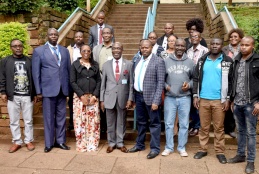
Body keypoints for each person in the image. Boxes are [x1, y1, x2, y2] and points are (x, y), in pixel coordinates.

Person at [192, 38, 233, 164]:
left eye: (218, 43)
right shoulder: (202, 60)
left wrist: (228, 99)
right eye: (213, 43)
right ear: (210, 45)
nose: (215, 45)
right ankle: (202, 149)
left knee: (219, 128)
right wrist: (195, 95)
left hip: (219, 101)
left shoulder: (227, 61)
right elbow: (196, 78)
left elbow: (232, 81)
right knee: (203, 127)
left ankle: (220, 152)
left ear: (222, 46)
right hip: (203, 99)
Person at [32, 28, 71, 153]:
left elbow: (68, 71)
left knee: (61, 117)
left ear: (58, 36)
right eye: (51, 34)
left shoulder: (65, 51)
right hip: (48, 90)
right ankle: (49, 143)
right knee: (48, 118)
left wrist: (68, 88)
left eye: (55, 34)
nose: (53, 36)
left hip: (62, 89)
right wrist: (38, 91)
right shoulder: (39, 51)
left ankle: (60, 141)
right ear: (47, 36)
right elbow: (36, 73)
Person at [128, 40, 165, 159]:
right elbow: (133, 80)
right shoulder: (137, 60)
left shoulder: (158, 61)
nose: (144, 49)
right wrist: (133, 98)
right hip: (139, 96)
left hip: (151, 98)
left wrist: (156, 101)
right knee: (141, 122)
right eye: (142, 47)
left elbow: (160, 83)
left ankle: (154, 148)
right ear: (140, 47)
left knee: (154, 124)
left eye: (147, 47)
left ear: (151, 48)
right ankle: (140, 144)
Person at [228, 36, 259, 174]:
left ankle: (251, 161)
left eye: (247, 45)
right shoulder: (236, 60)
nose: (243, 47)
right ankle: (240, 155)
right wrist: (232, 99)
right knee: (240, 131)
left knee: (251, 133)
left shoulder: (257, 61)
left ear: (252, 46)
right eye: (242, 45)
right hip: (238, 102)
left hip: (252, 103)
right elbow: (231, 81)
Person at [0, 39, 36, 153]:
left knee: (28, 120)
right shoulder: (5, 61)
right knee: (14, 120)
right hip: (13, 96)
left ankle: (28, 140)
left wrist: (34, 93)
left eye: (20, 46)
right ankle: (17, 141)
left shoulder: (29, 61)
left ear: (23, 47)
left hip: (27, 95)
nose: (18, 48)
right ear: (11, 48)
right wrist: (3, 92)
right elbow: (2, 77)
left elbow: (34, 78)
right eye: (15, 46)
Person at [162, 39, 194, 157]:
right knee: (169, 123)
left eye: (182, 46)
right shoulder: (166, 61)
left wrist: (189, 85)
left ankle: (181, 147)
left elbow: (194, 79)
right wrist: (167, 87)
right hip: (170, 97)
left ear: (185, 47)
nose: (180, 47)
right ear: (174, 46)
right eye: (178, 45)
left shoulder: (190, 62)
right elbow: (161, 79)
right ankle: (169, 147)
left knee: (184, 124)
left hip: (185, 97)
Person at [100, 42, 133, 153]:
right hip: (109, 98)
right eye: (114, 48)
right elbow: (103, 84)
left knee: (121, 122)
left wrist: (130, 98)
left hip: (122, 98)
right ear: (112, 50)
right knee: (110, 122)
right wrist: (101, 99)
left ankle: (120, 143)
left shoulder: (128, 64)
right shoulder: (106, 65)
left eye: (119, 48)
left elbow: (131, 83)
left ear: (122, 49)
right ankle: (111, 143)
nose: (116, 50)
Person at [70, 44, 101, 152]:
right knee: (80, 121)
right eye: (84, 50)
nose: (86, 52)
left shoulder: (95, 65)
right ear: (80, 52)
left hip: (92, 97)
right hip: (80, 98)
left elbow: (98, 81)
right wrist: (81, 95)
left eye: (88, 50)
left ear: (91, 52)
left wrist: (95, 95)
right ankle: (82, 144)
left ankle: (92, 143)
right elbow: (72, 81)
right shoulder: (75, 65)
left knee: (93, 122)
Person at [222, 28, 244, 138]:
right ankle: (226, 128)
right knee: (227, 102)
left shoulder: (243, 49)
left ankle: (232, 128)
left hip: (240, 79)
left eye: (235, 36)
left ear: (240, 38)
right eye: (231, 37)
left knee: (234, 104)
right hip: (226, 78)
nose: (233, 38)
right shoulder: (224, 49)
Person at [186, 31, 209, 137]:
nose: (194, 38)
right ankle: (193, 124)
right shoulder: (188, 51)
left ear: (200, 39)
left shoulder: (205, 51)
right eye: (192, 36)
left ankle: (197, 127)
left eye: (196, 36)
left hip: (200, 80)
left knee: (197, 105)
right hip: (190, 80)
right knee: (191, 104)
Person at [92, 27, 114, 134]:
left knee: (109, 104)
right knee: (100, 103)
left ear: (111, 35)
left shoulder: (116, 47)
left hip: (111, 81)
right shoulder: (96, 48)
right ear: (101, 35)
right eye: (104, 33)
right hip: (99, 79)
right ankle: (101, 128)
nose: (106, 35)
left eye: (108, 33)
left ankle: (109, 129)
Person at [67, 31, 85, 131]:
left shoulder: (86, 48)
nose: (78, 38)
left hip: (84, 79)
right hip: (72, 79)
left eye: (80, 37)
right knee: (71, 102)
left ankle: (83, 122)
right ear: (74, 38)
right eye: (76, 37)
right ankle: (71, 122)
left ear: (83, 38)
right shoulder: (69, 49)